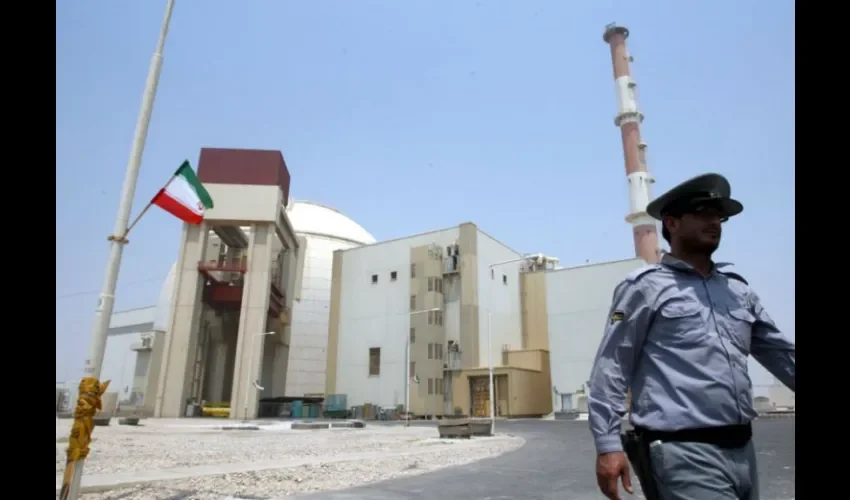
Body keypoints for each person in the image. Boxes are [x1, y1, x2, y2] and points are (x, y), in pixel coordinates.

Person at [587, 173, 795, 500]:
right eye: (702, 213)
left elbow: (782, 354)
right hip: (683, 453)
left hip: (743, 451)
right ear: (671, 223)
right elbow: (612, 365)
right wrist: (608, 445)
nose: (714, 222)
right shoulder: (642, 288)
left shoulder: (737, 291)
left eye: (718, 215)